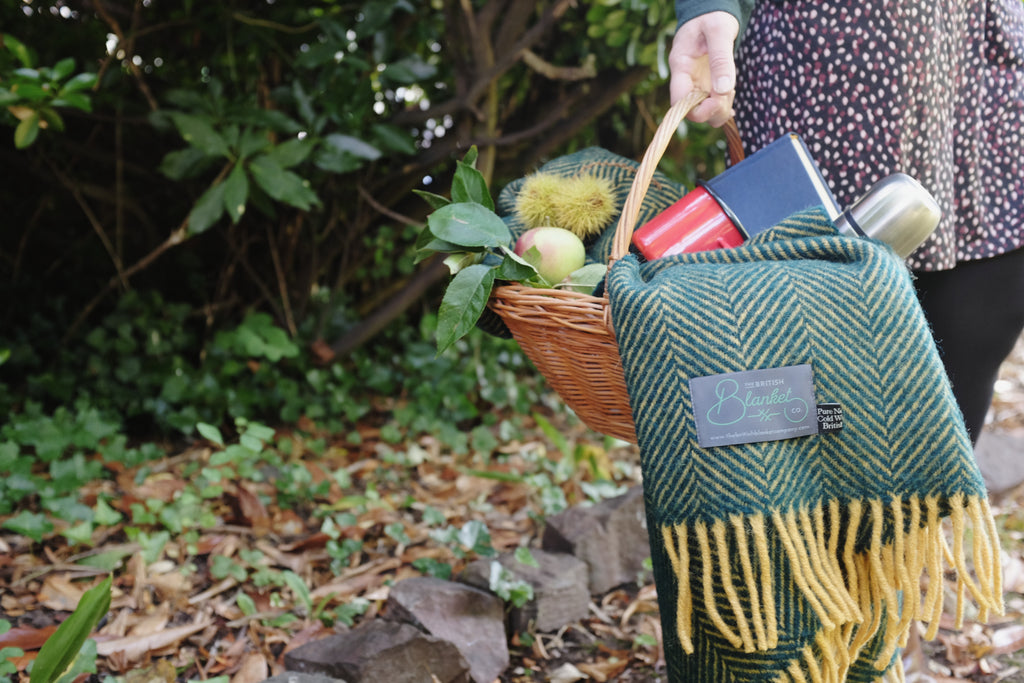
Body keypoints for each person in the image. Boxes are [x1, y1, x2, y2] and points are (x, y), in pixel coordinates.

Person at [668, 0, 1024, 677]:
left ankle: (883, 591)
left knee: (983, 312)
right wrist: (704, 9)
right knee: (816, 361)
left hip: (984, 65)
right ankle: (804, 613)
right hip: (830, 61)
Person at [668, 0, 1024, 447]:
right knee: (803, 355)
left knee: (979, 317)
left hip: (980, 71)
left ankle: (919, 510)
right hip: (830, 72)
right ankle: (801, 506)